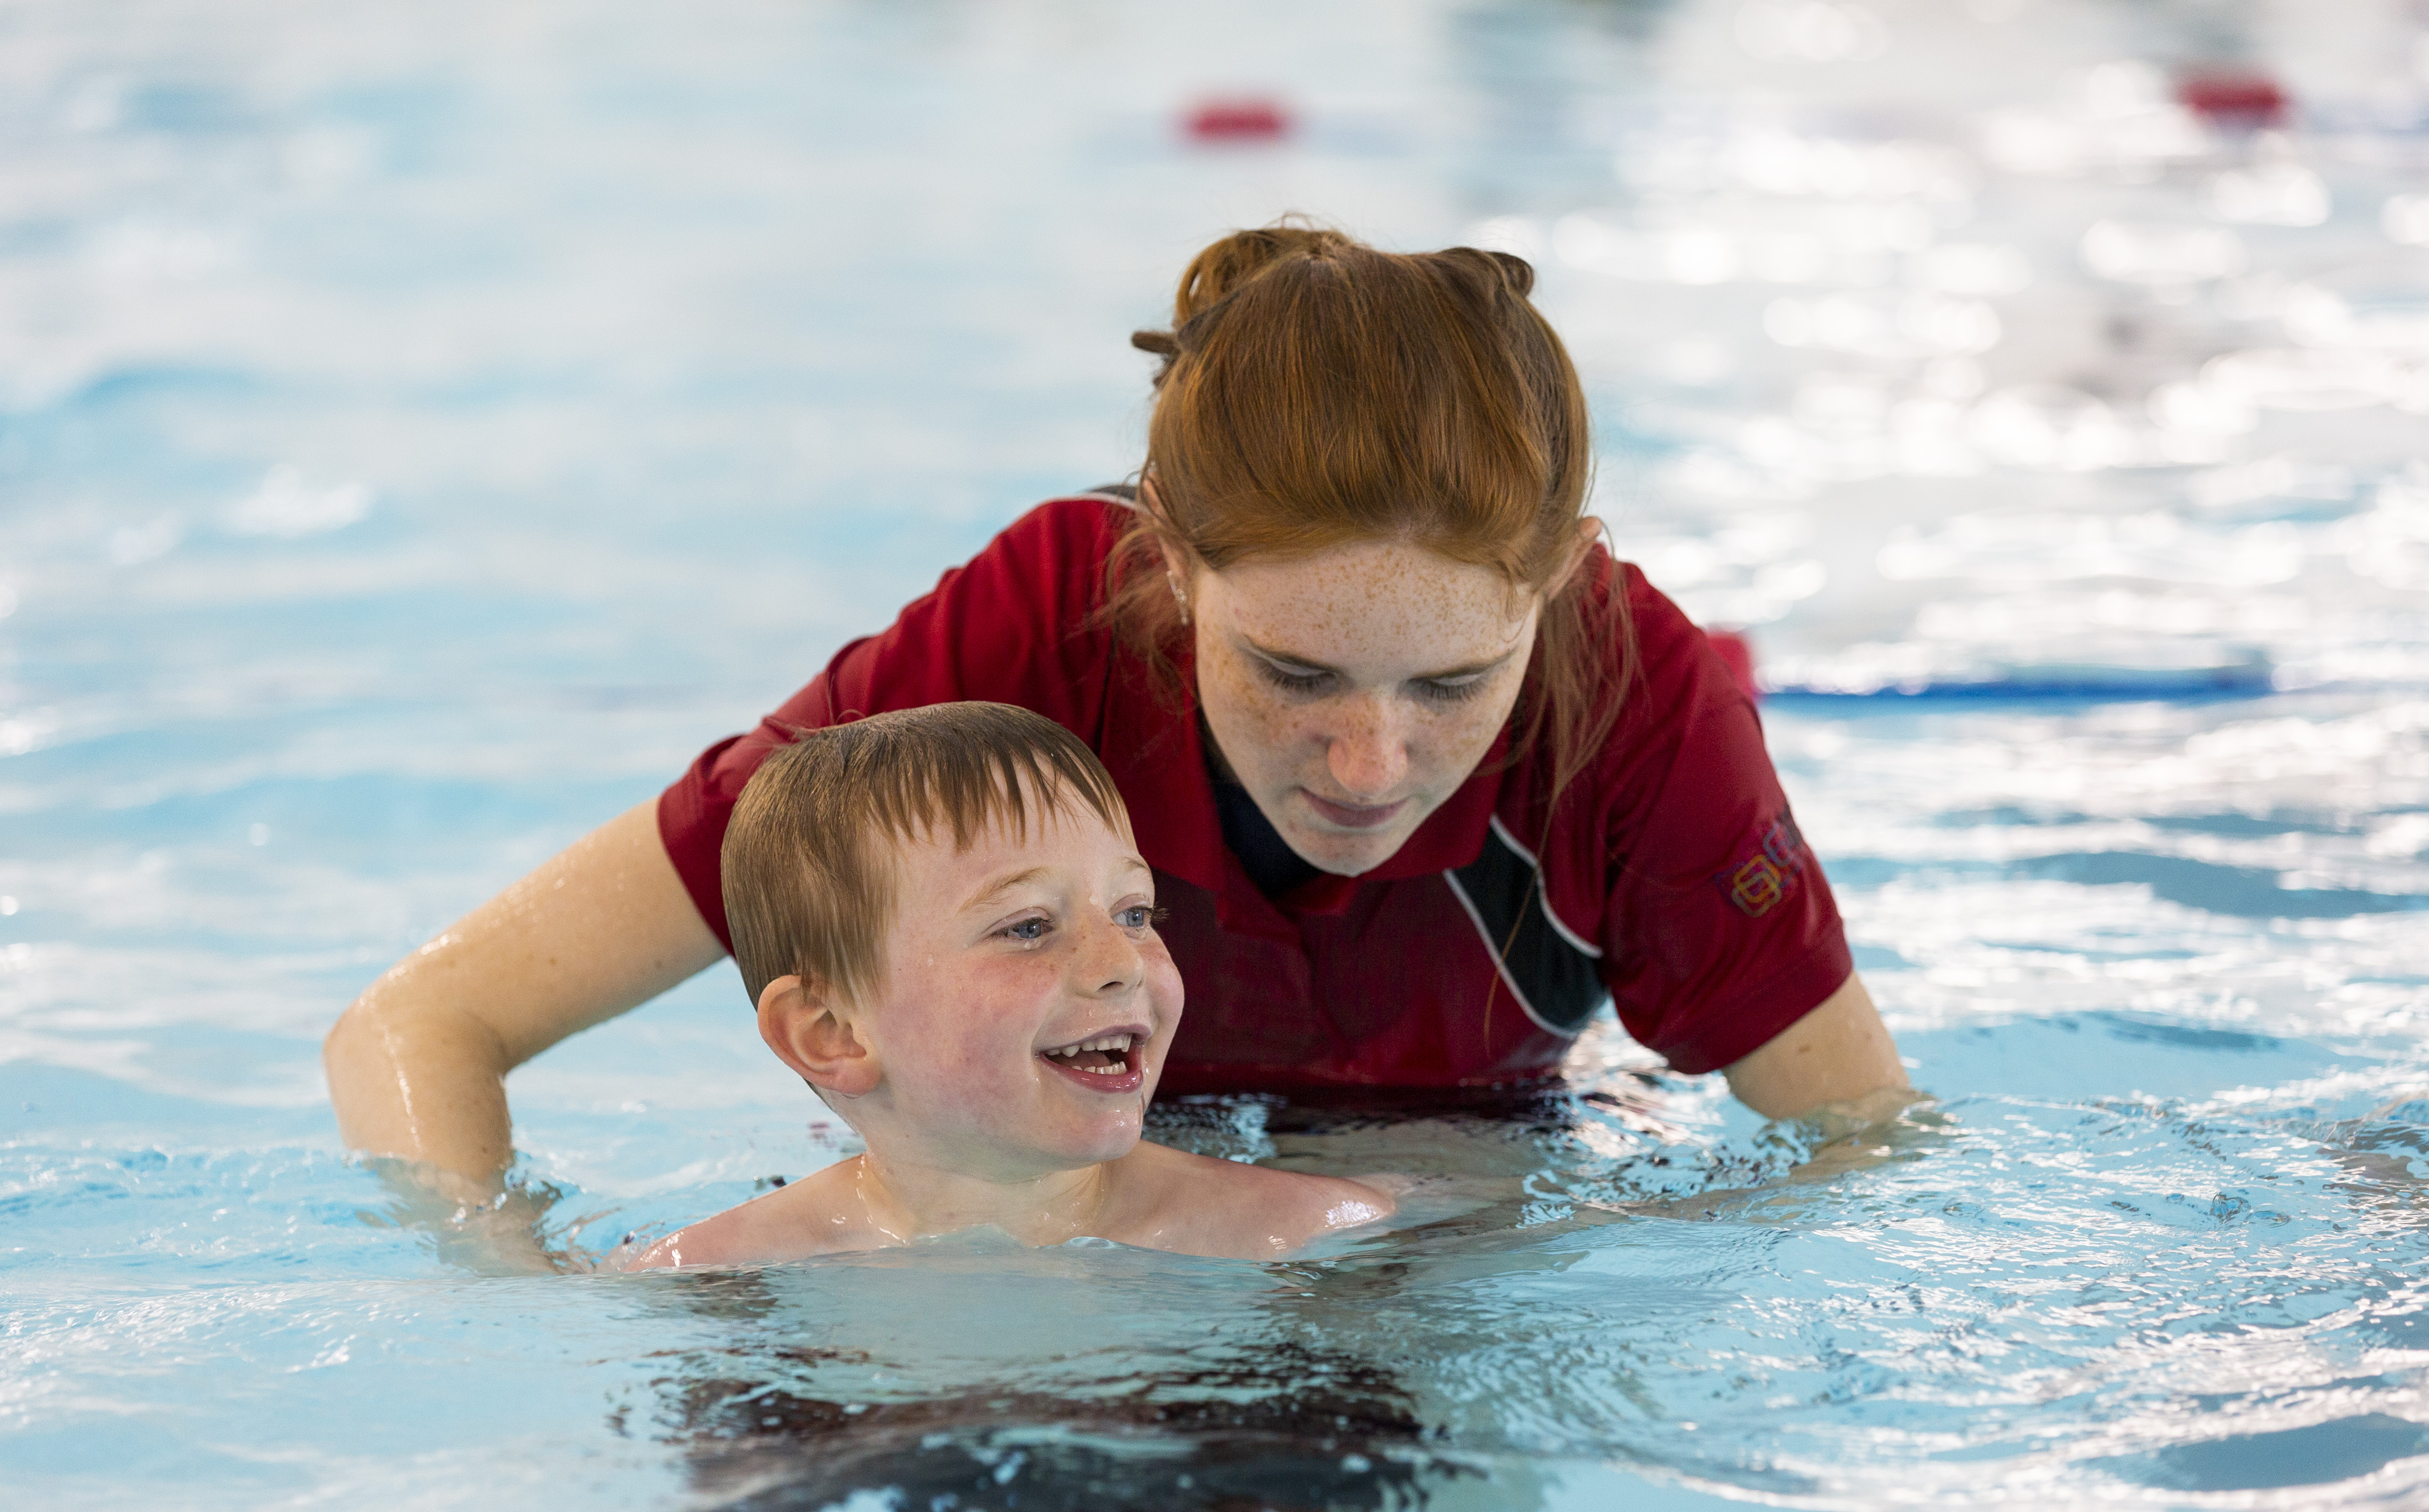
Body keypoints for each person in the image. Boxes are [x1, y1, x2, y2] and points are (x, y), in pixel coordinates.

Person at [325, 222, 1909, 1198]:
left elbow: (1863, 1152)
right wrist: (503, 1295)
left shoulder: (1636, 703)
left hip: (1448, 1214)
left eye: (1451, 684)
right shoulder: (1029, 637)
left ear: (1556, 585)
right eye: (1293, 673)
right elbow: (425, 1023)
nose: (1371, 764)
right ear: (1166, 564)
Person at [613, 702, 1392, 1269]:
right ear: (831, 1034)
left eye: (1133, 912)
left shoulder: (1301, 1233)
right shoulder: (720, 1275)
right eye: (1028, 927)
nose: (1120, 962)